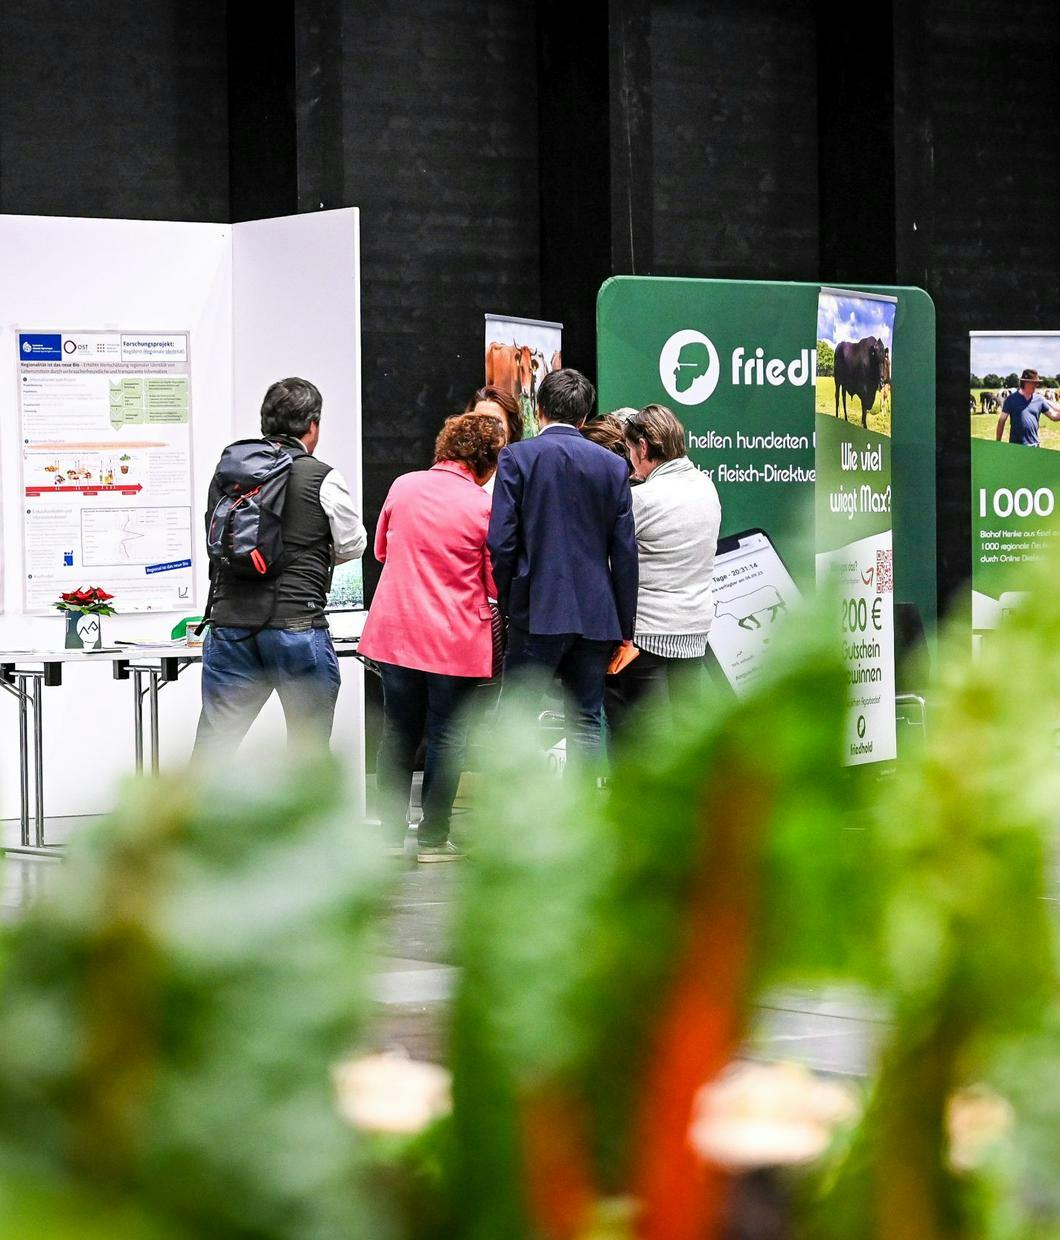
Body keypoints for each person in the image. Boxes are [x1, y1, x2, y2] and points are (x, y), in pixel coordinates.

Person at [193, 377, 367, 759]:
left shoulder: (229, 472)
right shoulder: (322, 476)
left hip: (231, 625)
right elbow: (354, 542)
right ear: (313, 426)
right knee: (306, 755)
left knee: (214, 748)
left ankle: (195, 818)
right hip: (296, 628)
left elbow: (217, 540)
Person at [359, 414, 506, 861]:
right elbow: (495, 583)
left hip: (397, 633)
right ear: (487, 462)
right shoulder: (483, 507)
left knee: (398, 732)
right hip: (454, 640)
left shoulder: (403, 485)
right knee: (447, 737)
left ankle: (387, 836)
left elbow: (381, 551)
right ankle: (433, 840)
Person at [488, 368, 638, 770]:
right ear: (585, 417)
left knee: (515, 722)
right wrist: (625, 627)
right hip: (596, 617)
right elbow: (625, 553)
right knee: (586, 721)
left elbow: (500, 541)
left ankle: (512, 824)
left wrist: (509, 599)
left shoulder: (517, 457)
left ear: (538, 409)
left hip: (536, 611)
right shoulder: (613, 467)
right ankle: (584, 828)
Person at [606, 403, 721, 740]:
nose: (628, 459)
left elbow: (606, 554)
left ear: (643, 448)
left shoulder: (643, 499)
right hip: (695, 632)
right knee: (687, 738)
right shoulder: (707, 488)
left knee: (647, 743)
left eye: (629, 449)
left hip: (647, 637)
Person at [996, 368, 1060, 446]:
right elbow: (1001, 421)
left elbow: (1054, 416)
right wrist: (998, 444)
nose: (1037, 385)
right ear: (1025, 382)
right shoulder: (1011, 399)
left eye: (1037, 383)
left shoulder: (1039, 399)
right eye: (1034, 383)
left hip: (1034, 446)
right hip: (1016, 447)